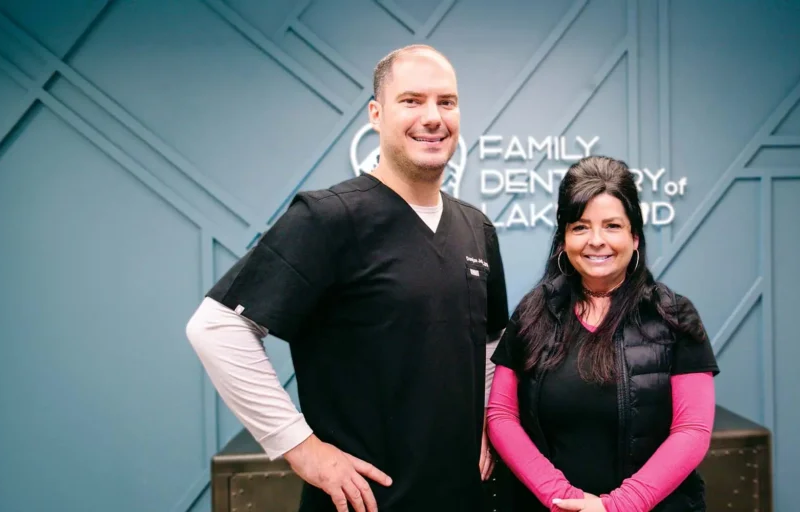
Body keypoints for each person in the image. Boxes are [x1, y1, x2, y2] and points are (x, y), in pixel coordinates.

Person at [185, 44, 510, 512]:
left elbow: (489, 341)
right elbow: (216, 328)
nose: (433, 117)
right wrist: (301, 448)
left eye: (446, 101)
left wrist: (485, 419)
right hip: (364, 502)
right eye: (412, 100)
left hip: (462, 495)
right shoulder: (328, 217)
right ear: (376, 114)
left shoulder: (475, 228)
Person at [485, 155, 720, 512]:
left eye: (612, 226)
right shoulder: (533, 312)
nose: (596, 240)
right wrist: (562, 498)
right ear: (563, 240)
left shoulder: (674, 316)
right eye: (580, 227)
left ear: (634, 236)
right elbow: (502, 415)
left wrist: (617, 506)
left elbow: (692, 430)